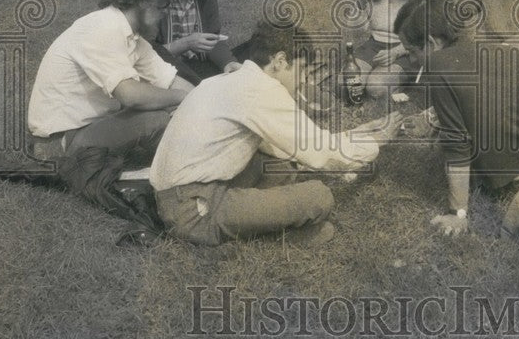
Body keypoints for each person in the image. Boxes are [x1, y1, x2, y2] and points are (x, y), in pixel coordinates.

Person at [149, 18, 402, 247]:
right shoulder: (261, 90)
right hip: (193, 210)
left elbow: (295, 144)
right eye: (302, 70)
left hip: (185, 193)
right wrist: (376, 142)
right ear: (280, 61)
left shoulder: (232, 79)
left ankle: (267, 224)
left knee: (281, 163)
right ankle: (269, 235)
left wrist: (356, 134)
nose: (303, 80)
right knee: (319, 196)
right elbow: (319, 154)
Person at [393, 0, 519, 236]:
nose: (411, 59)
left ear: (431, 43)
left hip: (514, 179)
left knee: (445, 143)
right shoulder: (494, 48)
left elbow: (456, 143)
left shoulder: (437, 66)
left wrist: (457, 212)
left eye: (411, 51)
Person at [27, 0, 194, 178]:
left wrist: (202, 100)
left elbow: (169, 80)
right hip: (57, 144)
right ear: (145, 0)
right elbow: (131, 95)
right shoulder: (103, 28)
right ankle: (191, 162)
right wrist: (183, 98)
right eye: (164, 4)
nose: (166, 12)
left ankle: (191, 157)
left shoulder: (131, 36)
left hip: (85, 128)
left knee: (169, 109)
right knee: (157, 118)